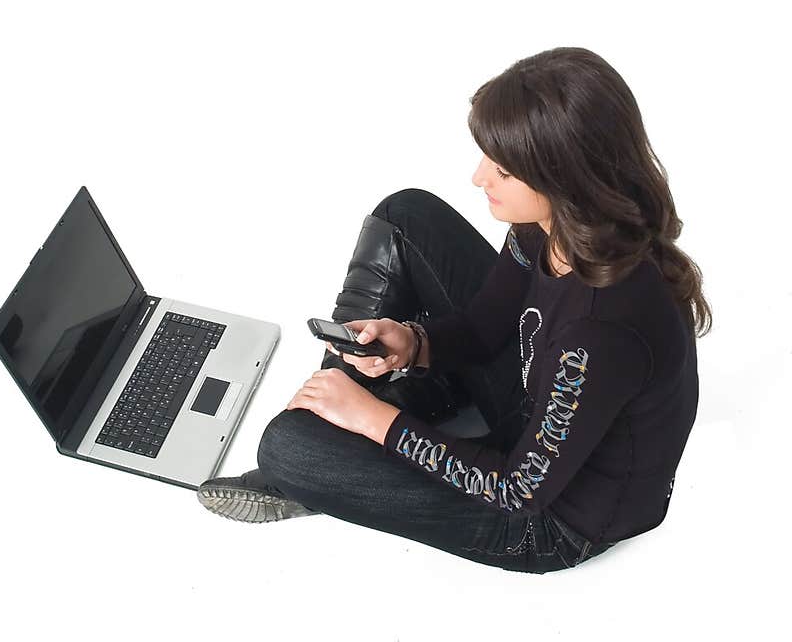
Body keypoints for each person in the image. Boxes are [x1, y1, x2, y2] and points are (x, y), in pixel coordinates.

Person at [197, 46, 709, 573]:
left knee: (287, 448)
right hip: (537, 403)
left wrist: (375, 420)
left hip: (550, 519)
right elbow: (486, 329)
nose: (479, 177)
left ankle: (335, 450)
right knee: (406, 214)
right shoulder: (550, 229)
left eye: (504, 171)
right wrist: (412, 345)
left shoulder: (601, 329)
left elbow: (516, 489)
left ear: (563, 179)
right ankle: (363, 412)